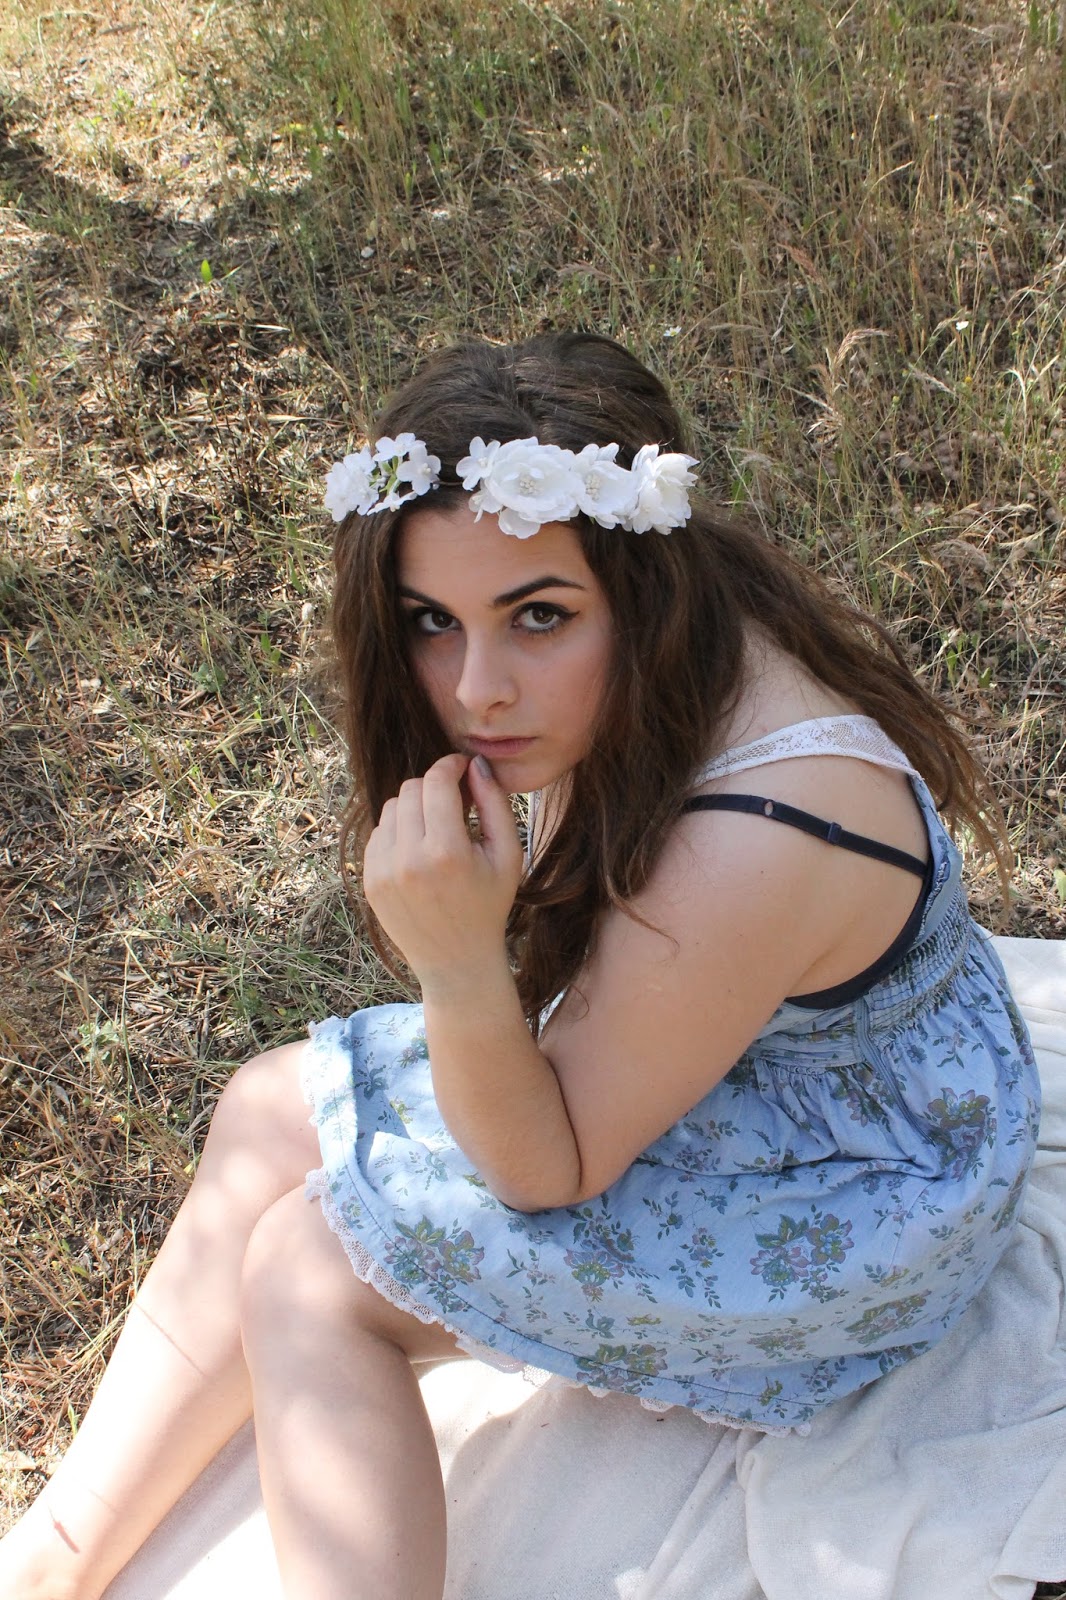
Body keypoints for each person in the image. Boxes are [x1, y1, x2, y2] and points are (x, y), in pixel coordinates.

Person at [0, 332, 1040, 1600]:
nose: (474, 689)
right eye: (431, 623)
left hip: (866, 1197)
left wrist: (454, 965)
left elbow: (548, 1167)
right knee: (271, 1104)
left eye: (536, 616)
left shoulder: (753, 840)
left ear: (640, 582)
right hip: (746, 1066)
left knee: (311, 1266)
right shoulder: (675, 645)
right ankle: (56, 1553)